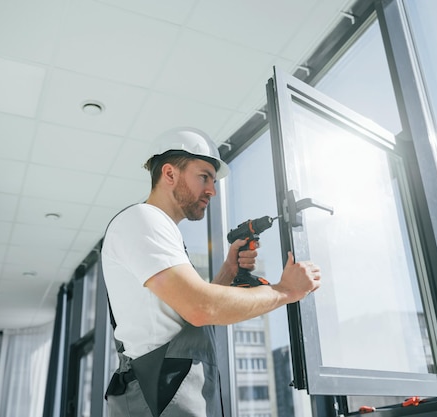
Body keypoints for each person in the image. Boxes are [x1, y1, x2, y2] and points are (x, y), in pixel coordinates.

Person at [101, 127, 321, 417]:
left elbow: (186, 317)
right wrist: (286, 290)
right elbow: (200, 307)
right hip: (158, 397)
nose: (212, 191)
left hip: (170, 393)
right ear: (169, 174)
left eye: (213, 181)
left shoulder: (160, 230)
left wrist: (228, 272)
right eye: (204, 176)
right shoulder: (143, 220)